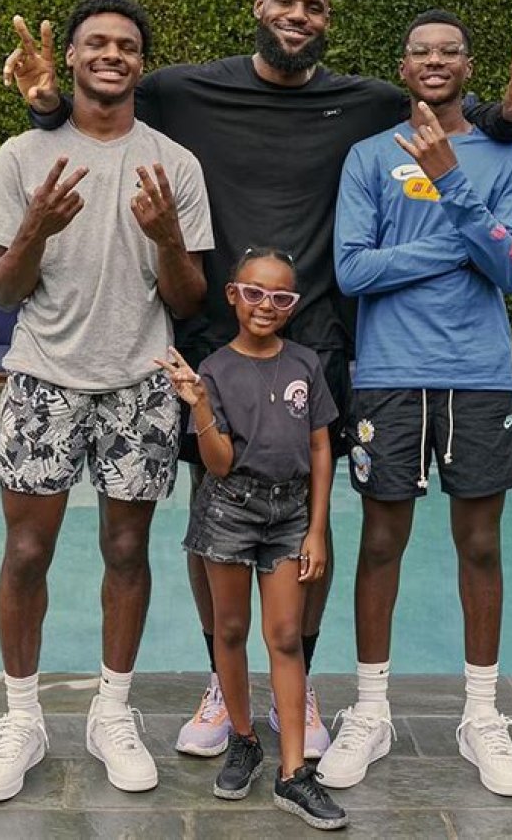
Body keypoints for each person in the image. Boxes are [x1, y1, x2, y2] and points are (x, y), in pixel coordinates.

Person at [2, 0, 512, 758]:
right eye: (286, 1)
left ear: (328, 20)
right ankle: (219, 678)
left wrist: (503, 116)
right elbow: (102, 100)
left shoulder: (366, 101)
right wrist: (48, 103)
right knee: (215, 512)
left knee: (308, 517)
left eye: (314, 6)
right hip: (215, 336)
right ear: (258, 5)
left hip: (318, 336)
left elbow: (442, 112)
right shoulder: (184, 90)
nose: (299, 15)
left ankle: (301, 672)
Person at [0, 0, 213, 802]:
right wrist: (35, 228)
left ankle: (112, 711)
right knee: (25, 553)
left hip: (139, 382)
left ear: (142, 63)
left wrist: (168, 237)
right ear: (70, 57)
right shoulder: (20, 156)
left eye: (127, 45)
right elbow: (3, 289)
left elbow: (188, 299)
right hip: (43, 376)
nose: (112, 54)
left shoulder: (174, 164)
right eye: (97, 43)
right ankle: (22, 718)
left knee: (126, 550)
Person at [320, 9, 512, 797]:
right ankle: (370, 710)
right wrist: (461, 244)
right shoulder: (368, 155)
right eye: (421, 51)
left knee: (479, 543)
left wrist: (451, 180)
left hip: (478, 374)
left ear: (468, 68)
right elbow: (353, 270)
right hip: (389, 372)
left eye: (450, 51)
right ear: (403, 68)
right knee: (382, 541)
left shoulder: (508, 155)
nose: (435, 60)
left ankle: (481, 715)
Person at [157, 247, 347, 831]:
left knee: (285, 635)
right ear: (233, 295)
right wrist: (201, 405)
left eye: (280, 297)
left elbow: (320, 448)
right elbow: (217, 463)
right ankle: (243, 739)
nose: (266, 305)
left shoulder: (306, 364)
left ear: (293, 305)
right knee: (231, 630)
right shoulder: (214, 370)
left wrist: (317, 529)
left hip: (290, 514)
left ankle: (294, 772)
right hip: (228, 511)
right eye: (255, 292)